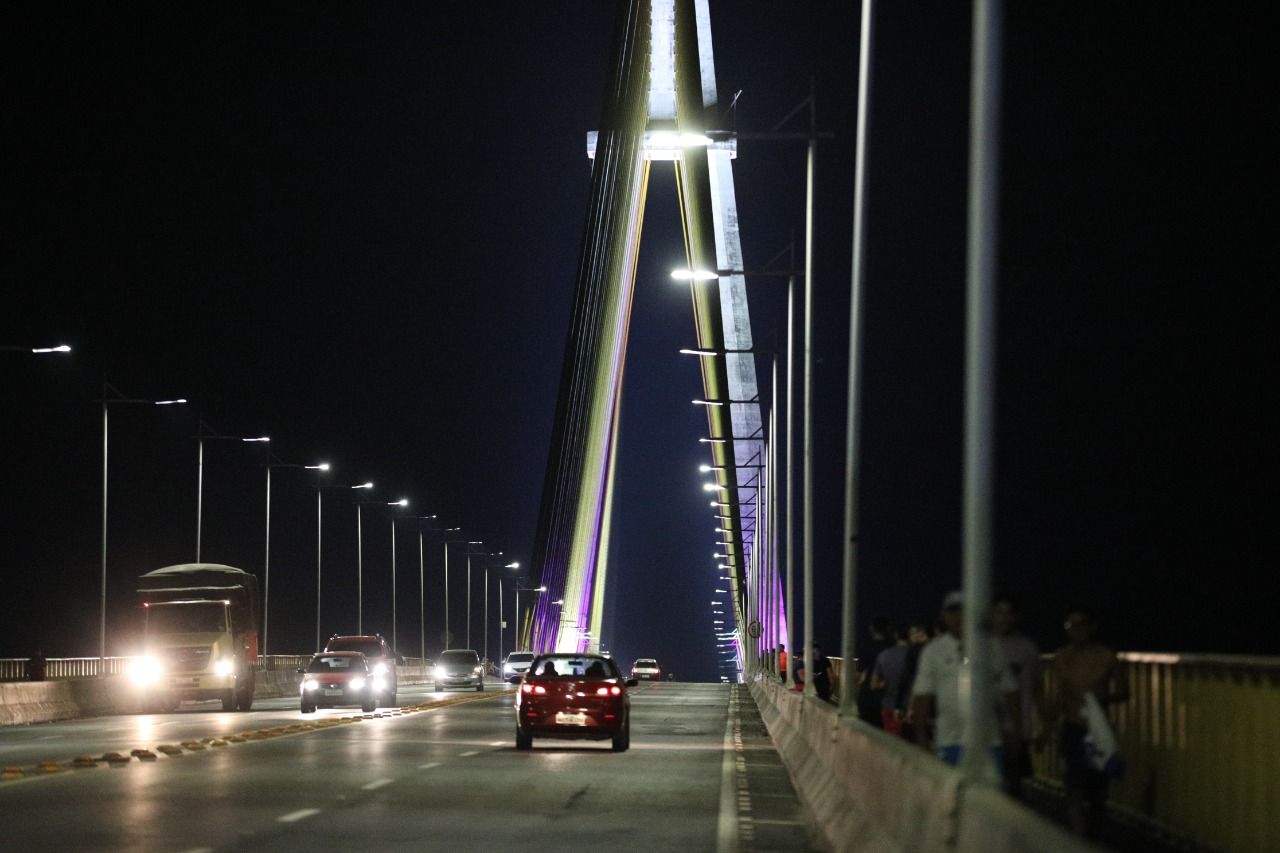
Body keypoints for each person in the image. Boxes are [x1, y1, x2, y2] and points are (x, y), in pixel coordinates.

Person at [910, 591, 1019, 779]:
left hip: (989, 742)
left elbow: (1010, 692)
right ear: (944, 616)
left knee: (990, 801)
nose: (958, 617)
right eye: (953, 612)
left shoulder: (991, 647)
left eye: (963, 611)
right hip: (949, 742)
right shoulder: (933, 650)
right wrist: (922, 741)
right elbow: (922, 698)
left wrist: (1014, 733)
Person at [1042, 605, 1129, 840]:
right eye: (1070, 626)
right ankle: (1079, 839)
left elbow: (1123, 692)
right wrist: (1046, 730)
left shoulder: (1107, 656)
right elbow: (1058, 696)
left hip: (1098, 731)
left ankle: (1092, 834)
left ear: (1092, 627)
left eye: (1081, 625)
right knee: (1073, 788)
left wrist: (1103, 698)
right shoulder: (1061, 658)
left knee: (1098, 794)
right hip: (1072, 727)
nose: (1076, 631)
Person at [992, 594, 1042, 799]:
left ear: (1016, 617)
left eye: (1008, 613)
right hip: (987, 729)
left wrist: (1043, 725)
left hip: (1017, 728)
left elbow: (1038, 687)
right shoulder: (980, 646)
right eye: (999, 613)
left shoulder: (1028, 649)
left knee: (1014, 787)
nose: (1004, 618)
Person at [870, 624, 911, 735]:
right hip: (908, 708)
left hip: (887, 705)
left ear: (896, 636)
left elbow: (873, 685)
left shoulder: (884, 655)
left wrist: (886, 683)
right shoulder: (914, 655)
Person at [896, 619, 932, 742]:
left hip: (917, 704)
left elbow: (911, 679)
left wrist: (906, 707)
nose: (910, 637)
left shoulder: (914, 652)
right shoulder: (934, 650)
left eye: (912, 634)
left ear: (919, 633)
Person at [856, 616, 892, 726]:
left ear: (872, 628)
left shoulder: (867, 647)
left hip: (867, 696)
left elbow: (857, 675)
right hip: (886, 697)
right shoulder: (891, 647)